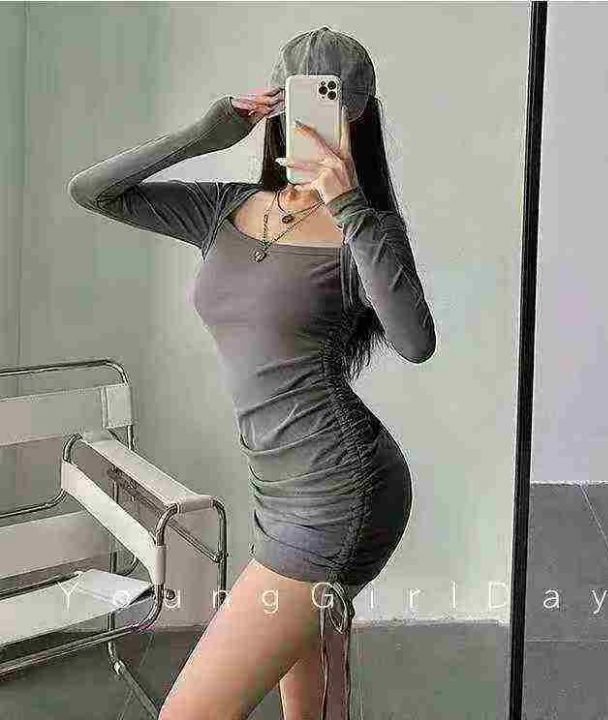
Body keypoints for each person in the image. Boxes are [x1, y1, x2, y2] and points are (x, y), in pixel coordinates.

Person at [67, 25, 436, 720]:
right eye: (297, 105)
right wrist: (202, 136)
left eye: (330, 107)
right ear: (276, 109)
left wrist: (349, 206)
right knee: (311, 705)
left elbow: (415, 343)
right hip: (275, 487)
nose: (311, 125)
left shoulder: (365, 228)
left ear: (356, 117)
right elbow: (92, 191)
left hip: (338, 492)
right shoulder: (224, 208)